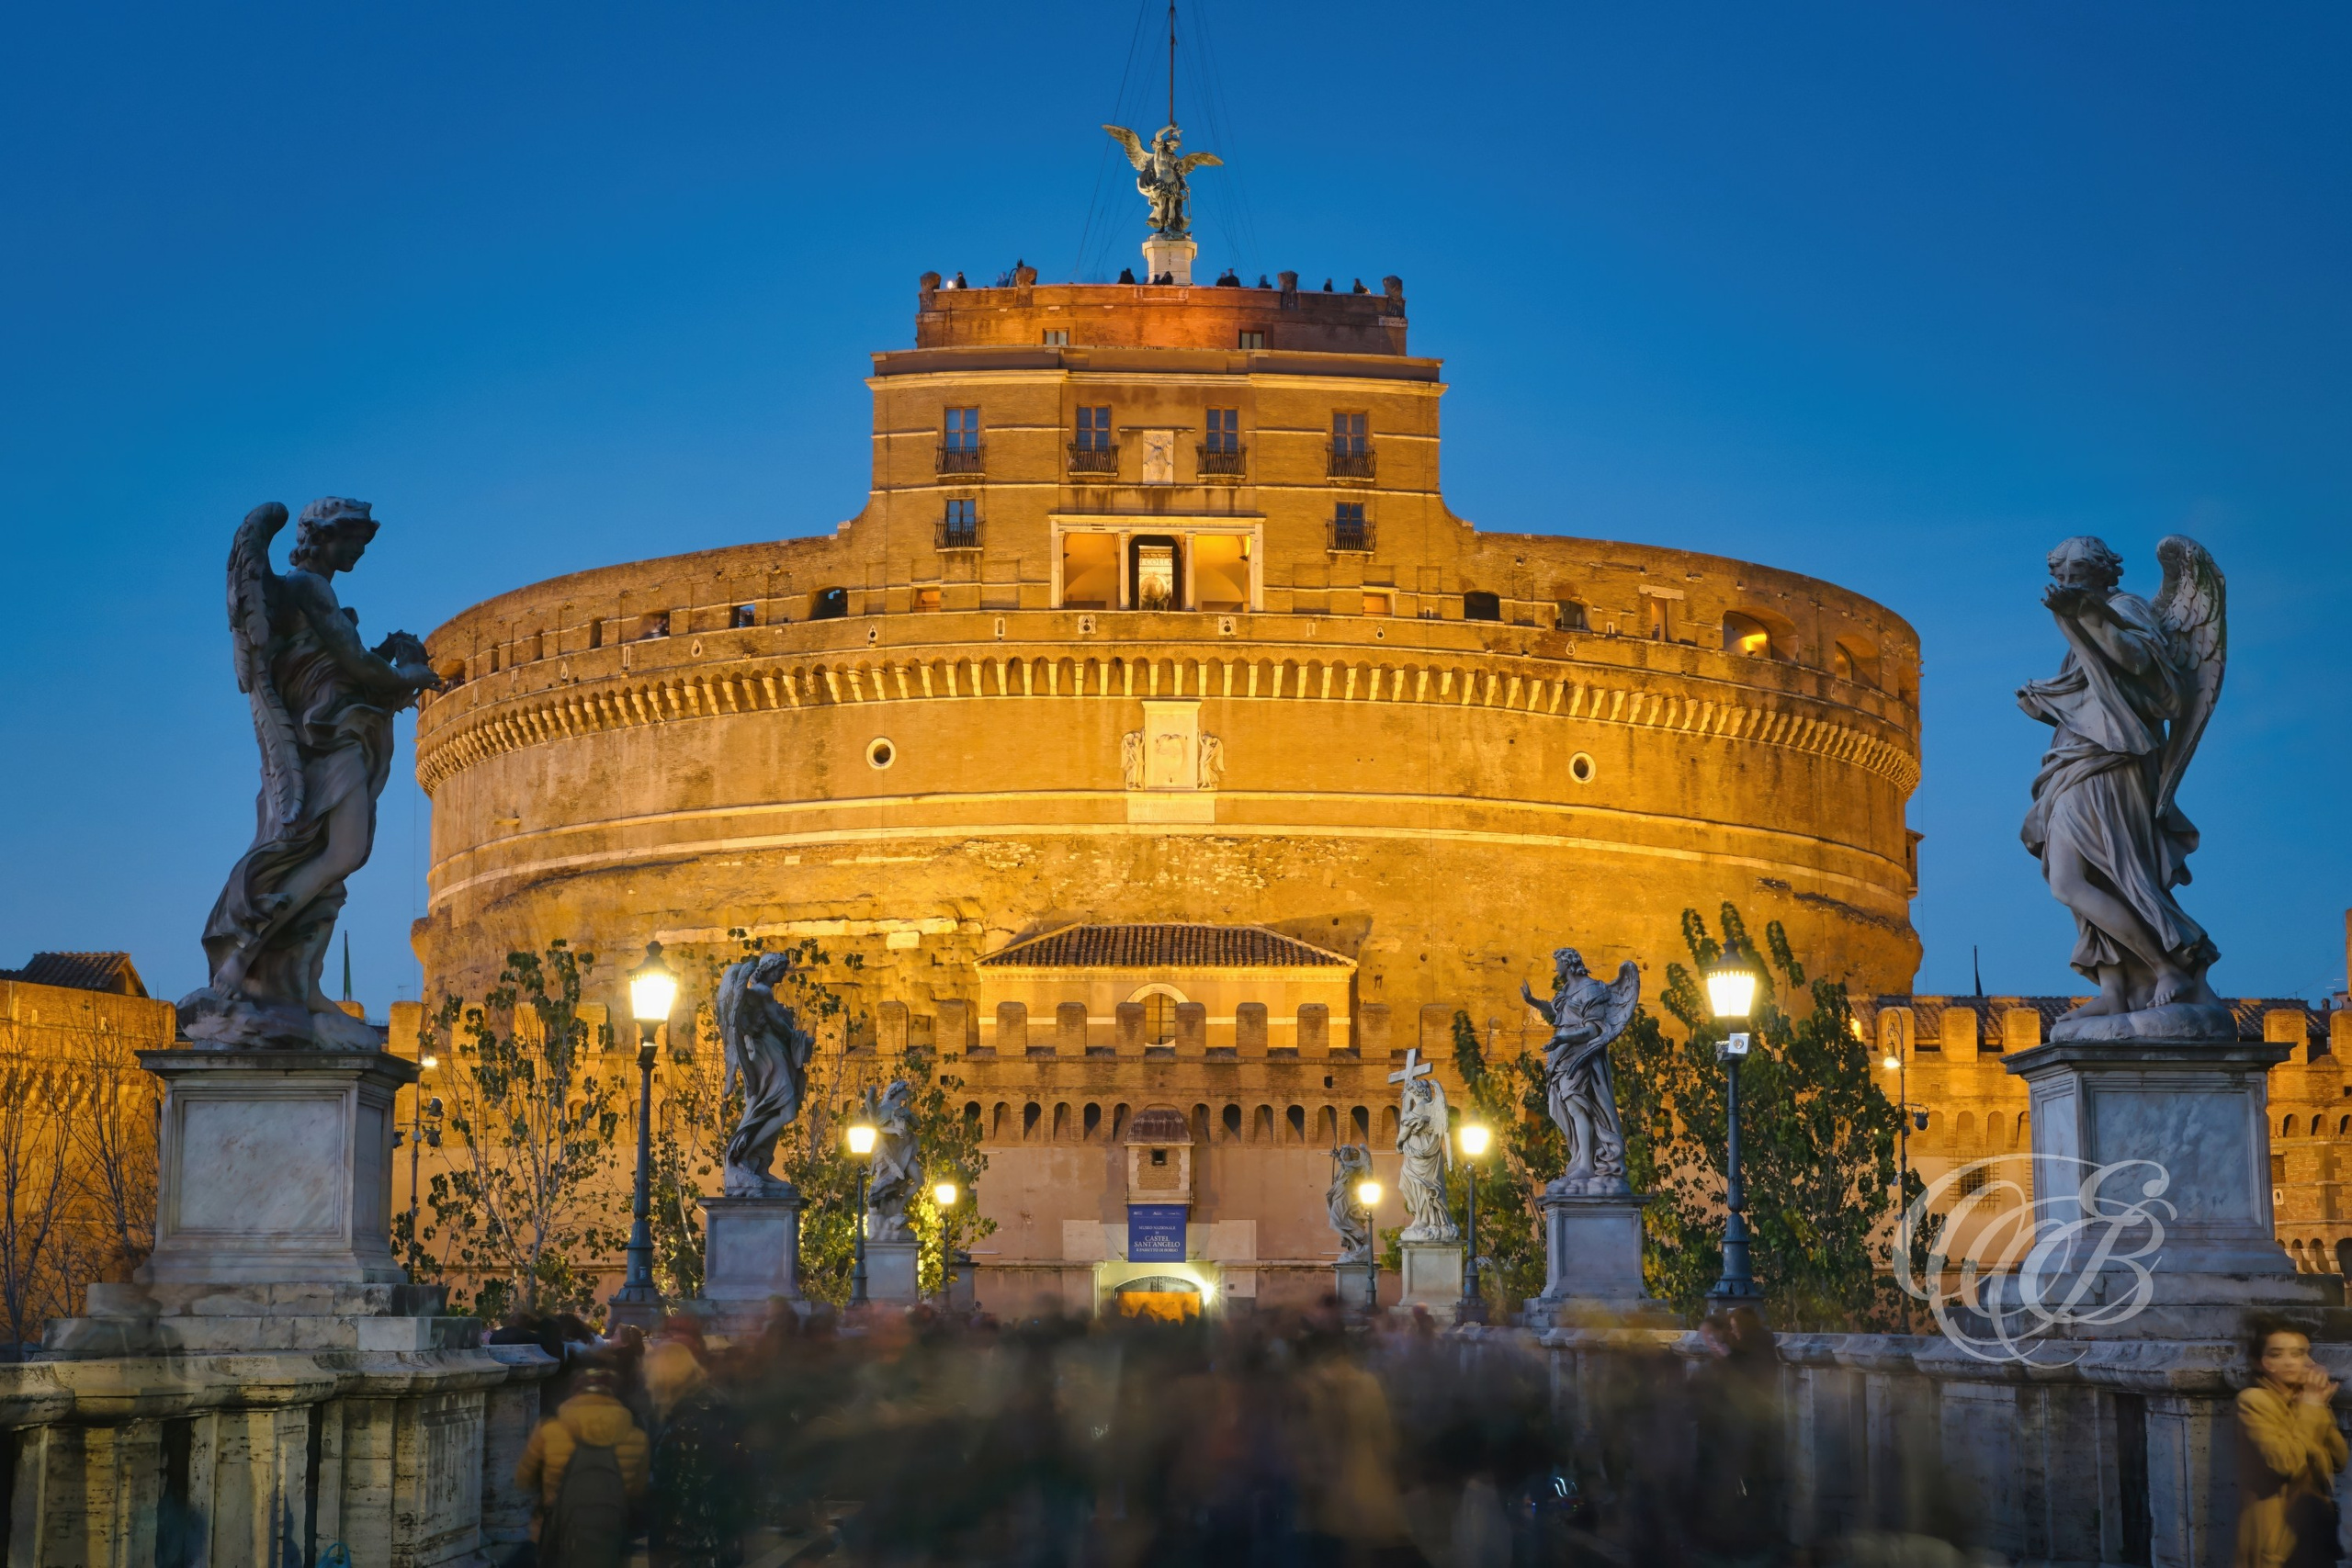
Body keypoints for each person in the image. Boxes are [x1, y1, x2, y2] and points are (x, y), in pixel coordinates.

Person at [515, 1364, 650, 1568]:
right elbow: (637, 1490)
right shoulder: (637, 1436)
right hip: (611, 1530)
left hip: (559, 1530)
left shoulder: (549, 1429)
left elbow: (523, 1480)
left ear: (575, 1390)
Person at [2235, 1322, 2345, 1568]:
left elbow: (2339, 1460)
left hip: (2315, 1535)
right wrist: (2311, 1408)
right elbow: (2285, 1464)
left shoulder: (2304, 1399)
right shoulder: (2254, 1401)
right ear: (2266, 1363)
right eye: (2284, 1354)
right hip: (2278, 1544)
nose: (2304, 1361)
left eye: (2304, 1352)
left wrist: (2320, 1408)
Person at [645, 1339, 751, 1568]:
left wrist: (668, 1547)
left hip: (693, 1546)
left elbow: (683, 1493)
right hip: (718, 1534)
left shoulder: (688, 1422)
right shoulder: (711, 1406)